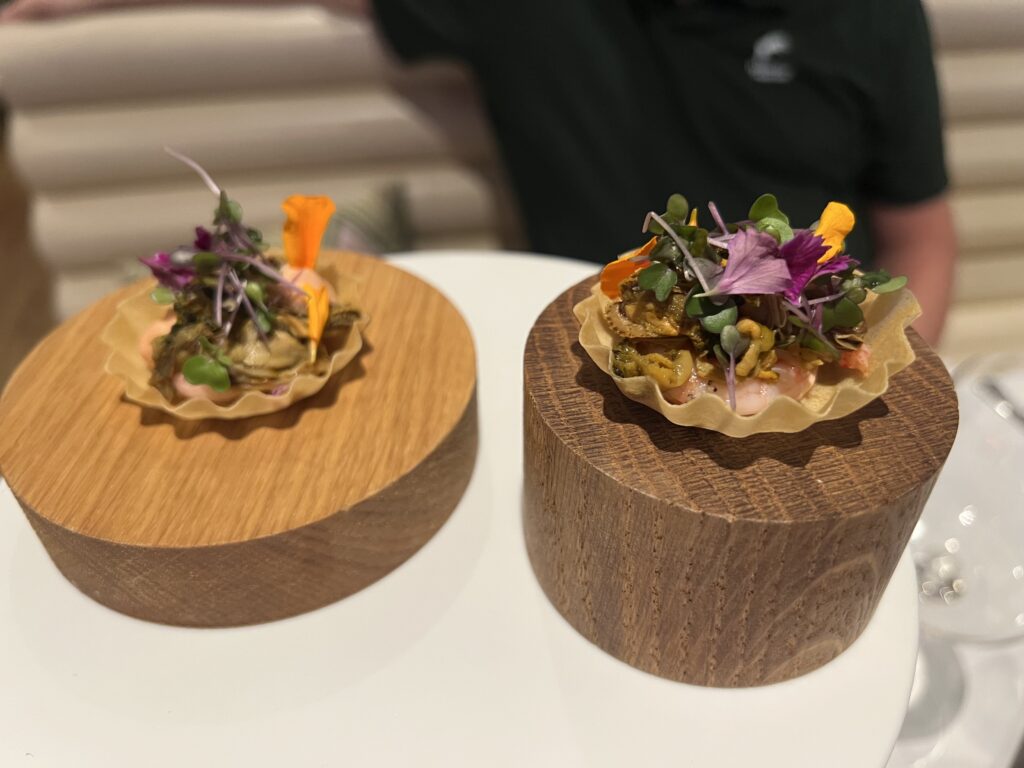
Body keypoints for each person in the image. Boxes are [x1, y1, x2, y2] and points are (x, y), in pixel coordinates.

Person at [0, 0, 956, 345]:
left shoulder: (871, 16)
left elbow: (922, 237)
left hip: (806, 348)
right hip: (598, 367)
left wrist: (888, 380)